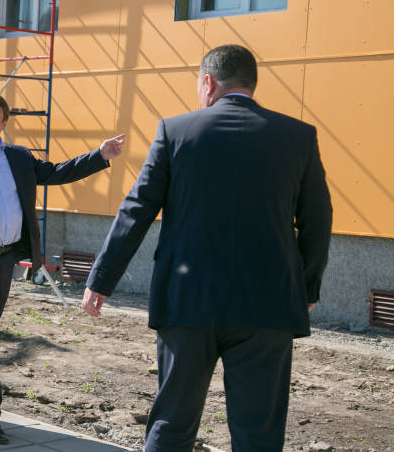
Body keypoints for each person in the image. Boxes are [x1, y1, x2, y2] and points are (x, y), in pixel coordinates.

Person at [82, 44, 333, 452]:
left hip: (187, 301)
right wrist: (307, 288)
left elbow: (137, 209)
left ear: (208, 82)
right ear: (251, 83)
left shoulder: (175, 131)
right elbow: (318, 221)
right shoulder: (298, 136)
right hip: (267, 306)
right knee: (258, 434)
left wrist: (101, 279)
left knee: (172, 424)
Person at [0, 92, 124, 444]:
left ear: (3, 123)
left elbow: (55, 173)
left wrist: (98, 155)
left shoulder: (18, 157)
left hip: (4, 258)